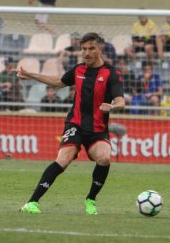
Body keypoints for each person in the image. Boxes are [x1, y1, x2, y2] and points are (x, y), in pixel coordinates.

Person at [15, 32, 125, 215]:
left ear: (100, 49)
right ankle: (32, 202)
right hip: (75, 124)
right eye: (83, 49)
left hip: (98, 129)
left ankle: (91, 199)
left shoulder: (111, 73)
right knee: (63, 160)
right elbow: (58, 82)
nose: (87, 53)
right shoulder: (79, 69)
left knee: (104, 158)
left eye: (91, 48)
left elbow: (121, 101)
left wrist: (113, 105)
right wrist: (31, 75)